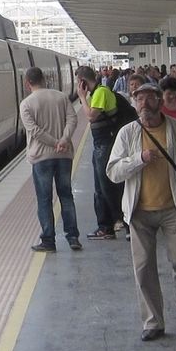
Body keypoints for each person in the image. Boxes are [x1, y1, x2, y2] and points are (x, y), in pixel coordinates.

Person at [107, 83, 176, 341]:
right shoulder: (127, 134)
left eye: (149, 101)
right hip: (139, 212)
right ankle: (153, 322)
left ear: (159, 104)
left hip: (175, 207)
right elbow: (113, 172)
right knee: (143, 269)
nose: (144, 107)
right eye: (139, 101)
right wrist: (138, 159)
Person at [19, 66, 80, 252]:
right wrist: (63, 140)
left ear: (27, 83)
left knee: (44, 199)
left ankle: (48, 241)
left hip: (41, 157)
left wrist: (54, 143)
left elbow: (34, 131)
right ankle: (73, 238)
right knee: (66, 196)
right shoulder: (61, 97)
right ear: (44, 79)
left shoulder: (26, 104)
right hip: (64, 155)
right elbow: (73, 120)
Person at [77, 65, 126, 241]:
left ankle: (116, 222)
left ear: (82, 81)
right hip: (102, 144)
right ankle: (108, 225)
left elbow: (91, 116)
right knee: (103, 186)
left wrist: (82, 97)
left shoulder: (101, 93)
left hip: (105, 144)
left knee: (105, 187)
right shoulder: (99, 92)